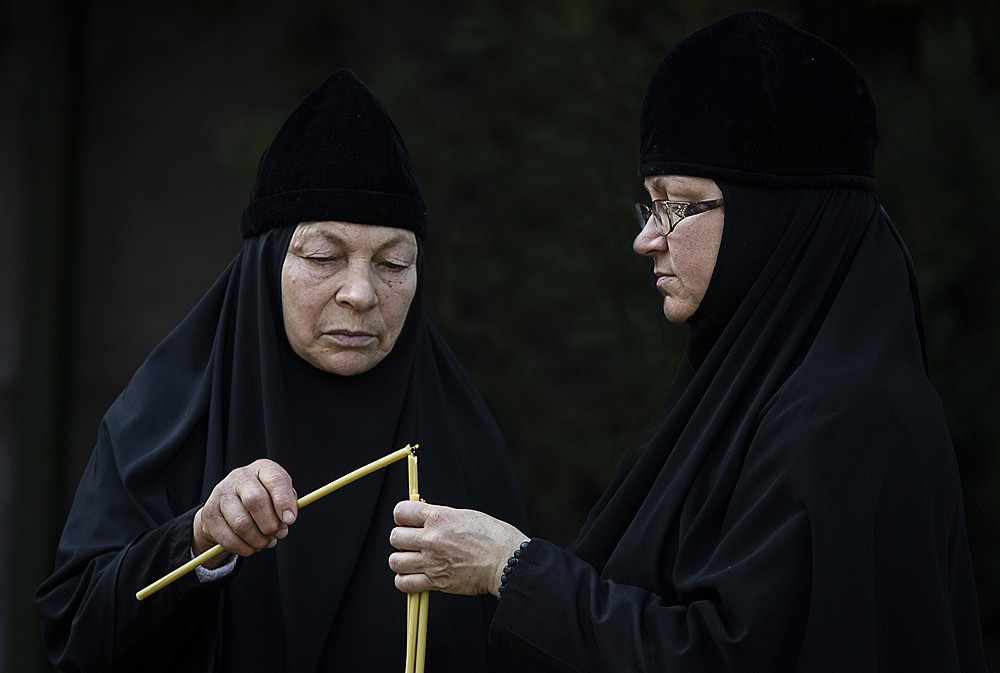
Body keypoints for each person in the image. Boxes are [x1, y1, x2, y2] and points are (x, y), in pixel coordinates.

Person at [388, 11, 988, 672]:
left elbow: (731, 658)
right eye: (650, 203)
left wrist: (514, 567)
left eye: (677, 202)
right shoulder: (757, 387)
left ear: (773, 215)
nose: (648, 237)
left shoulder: (845, 418)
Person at [34, 69, 528, 672]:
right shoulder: (170, 415)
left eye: (394, 264)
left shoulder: (461, 438)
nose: (360, 293)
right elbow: (74, 634)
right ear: (267, 267)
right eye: (324, 256)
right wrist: (197, 541)